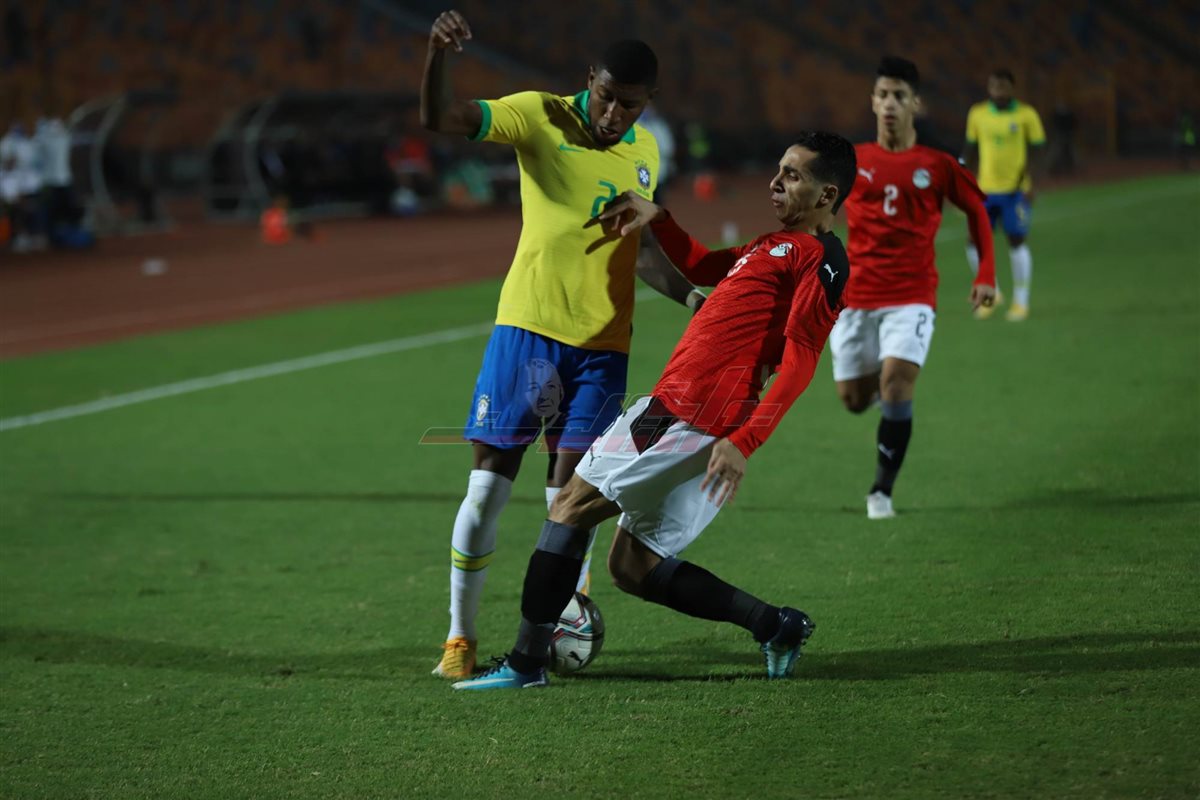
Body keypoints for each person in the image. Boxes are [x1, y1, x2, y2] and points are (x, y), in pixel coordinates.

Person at [451, 130, 857, 691]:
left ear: (827, 194)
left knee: (569, 506)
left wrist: (745, 442)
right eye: (778, 169)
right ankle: (776, 625)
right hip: (703, 420)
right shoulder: (772, 244)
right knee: (633, 566)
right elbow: (701, 263)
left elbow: (800, 363)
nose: (775, 182)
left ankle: (525, 664)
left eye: (792, 175)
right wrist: (659, 216)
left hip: (685, 411)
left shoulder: (821, 260)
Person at [420, 10, 702, 680]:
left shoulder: (646, 151)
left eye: (629, 105)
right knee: (487, 491)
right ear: (589, 79)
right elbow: (442, 118)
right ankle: (460, 640)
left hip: (603, 352)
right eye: (605, 96)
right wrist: (438, 55)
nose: (613, 114)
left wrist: (692, 296)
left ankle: (548, 632)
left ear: (649, 103)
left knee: (570, 503)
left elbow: (637, 249)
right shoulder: (538, 115)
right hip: (528, 334)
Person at [832, 56, 996, 521]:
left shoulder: (937, 164)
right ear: (872, 102)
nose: (890, 104)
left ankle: (881, 491)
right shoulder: (852, 161)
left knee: (898, 382)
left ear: (915, 104)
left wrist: (985, 273)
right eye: (883, 95)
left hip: (912, 296)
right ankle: (881, 395)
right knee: (853, 400)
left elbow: (977, 210)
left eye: (899, 96)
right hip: (855, 297)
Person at [963, 68, 1045, 321]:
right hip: (985, 190)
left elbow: (1038, 150)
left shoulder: (1026, 115)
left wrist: (1031, 183)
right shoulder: (977, 114)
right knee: (973, 242)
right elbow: (969, 150)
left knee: (1016, 241)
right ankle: (993, 293)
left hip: (1015, 191)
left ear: (1012, 88)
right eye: (994, 86)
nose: (998, 91)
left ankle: (1021, 301)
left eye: (1002, 86)